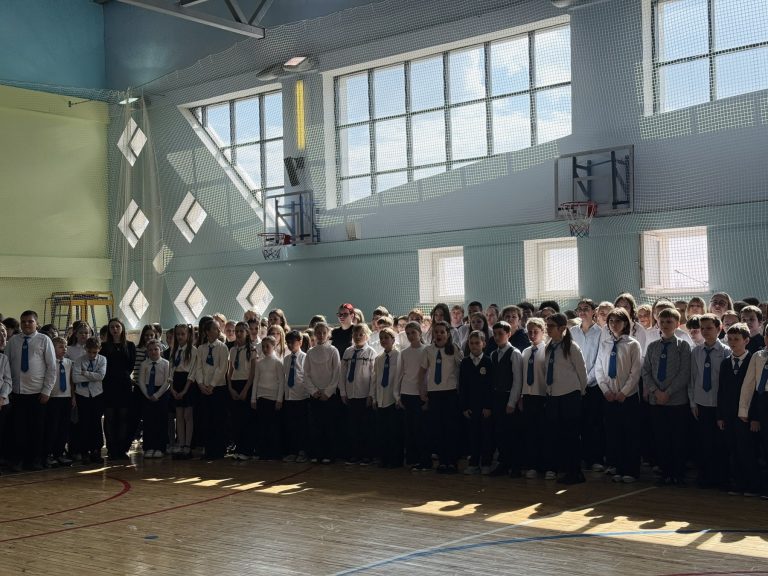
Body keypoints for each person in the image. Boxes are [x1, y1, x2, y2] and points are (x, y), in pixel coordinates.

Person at [642, 308, 691, 486]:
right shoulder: (652, 346)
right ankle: (665, 472)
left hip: (676, 401)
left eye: (669, 322)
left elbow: (684, 373)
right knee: (661, 438)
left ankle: (677, 473)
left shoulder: (683, 346)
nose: (665, 325)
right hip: (656, 401)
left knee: (677, 438)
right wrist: (655, 391)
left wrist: (668, 392)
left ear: (677, 324)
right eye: (662, 322)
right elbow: (646, 371)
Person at [595, 308, 643, 483]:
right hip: (609, 396)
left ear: (625, 323)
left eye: (618, 321)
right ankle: (618, 467)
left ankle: (631, 470)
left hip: (627, 397)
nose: (614, 324)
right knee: (613, 434)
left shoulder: (632, 344)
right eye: (611, 321)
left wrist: (624, 392)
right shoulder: (605, 344)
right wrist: (606, 391)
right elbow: (599, 369)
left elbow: (635, 372)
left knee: (630, 434)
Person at [6, 310, 56, 471]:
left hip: (38, 393)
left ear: (36, 323)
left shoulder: (44, 340)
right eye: (23, 322)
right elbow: (7, 365)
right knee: (19, 429)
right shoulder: (13, 341)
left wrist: (47, 390)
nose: (26, 324)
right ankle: (19, 459)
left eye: (30, 321)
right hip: (18, 393)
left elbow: (51, 367)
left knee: (37, 429)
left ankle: (35, 460)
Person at [543, 313, 588, 485]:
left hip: (570, 395)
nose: (547, 329)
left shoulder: (572, 347)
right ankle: (564, 468)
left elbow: (582, 372)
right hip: (554, 396)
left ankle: (575, 472)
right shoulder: (549, 346)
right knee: (558, 434)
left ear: (562, 328)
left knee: (571, 435)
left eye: (551, 326)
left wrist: (580, 392)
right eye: (547, 325)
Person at [689, 313, 730, 488]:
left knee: (719, 443)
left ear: (719, 329)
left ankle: (720, 478)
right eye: (702, 328)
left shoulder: (726, 351)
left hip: (718, 404)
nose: (705, 331)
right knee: (704, 442)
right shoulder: (696, 351)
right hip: (701, 402)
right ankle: (704, 476)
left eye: (709, 328)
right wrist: (693, 402)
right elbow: (693, 378)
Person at [718, 323, 757, 496]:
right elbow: (721, 390)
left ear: (746, 340)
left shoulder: (753, 361)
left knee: (747, 450)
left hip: (746, 416)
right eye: (730, 339)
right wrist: (720, 415)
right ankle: (738, 483)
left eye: (737, 339)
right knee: (733, 449)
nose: (732, 342)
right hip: (729, 415)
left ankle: (751, 485)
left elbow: (756, 392)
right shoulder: (726, 363)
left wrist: (754, 416)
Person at [419, 320, 463, 473]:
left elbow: (462, 368)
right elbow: (422, 372)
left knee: (451, 428)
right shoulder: (428, 350)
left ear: (448, 334)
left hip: (450, 393)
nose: (439, 334)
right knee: (438, 428)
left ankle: (452, 462)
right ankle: (443, 461)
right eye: (436, 332)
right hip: (434, 394)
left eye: (442, 332)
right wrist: (422, 391)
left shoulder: (454, 349)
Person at [570, 299, 604, 472]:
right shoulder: (572, 332)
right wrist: (577, 382)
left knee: (593, 424)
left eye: (586, 309)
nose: (582, 312)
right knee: (577, 424)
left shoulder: (601, 332)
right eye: (580, 309)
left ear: (594, 311)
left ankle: (594, 459)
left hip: (593, 385)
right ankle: (579, 458)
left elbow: (600, 360)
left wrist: (586, 381)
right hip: (575, 386)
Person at [489, 321, 523, 477]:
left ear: (508, 334)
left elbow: (517, 380)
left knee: (512, 433)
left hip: (509, 397)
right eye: (495, 334)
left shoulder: (514, 353)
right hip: (497, 397)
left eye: (500, 334)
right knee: (500, 432)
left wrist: (512, 402)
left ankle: (515, 466)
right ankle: (503, 463)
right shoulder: (493, 354)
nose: (497, 337)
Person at [738, 321, 768, 496]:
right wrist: (744, 410)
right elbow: (748, 385)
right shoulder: (758, 356)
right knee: (763, 446)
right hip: (762, 402)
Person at [193, 317, 230, 459]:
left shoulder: (222, 347)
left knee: (218, 419)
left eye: (218, 328)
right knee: (206, 420)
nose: (218, 330)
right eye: (215, 328)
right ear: (207, 332)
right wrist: (201, 384)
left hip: (218, 388)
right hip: (204, 388)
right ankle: (208, 450)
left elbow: (222, 368)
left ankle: (219, 450)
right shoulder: (201, 348)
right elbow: (198, 367)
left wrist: (212, 385)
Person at [304, 322, 340, 464]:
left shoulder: (333, 350)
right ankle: (317, 453)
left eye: (324, 332)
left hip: (329, 396)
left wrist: (328, 392)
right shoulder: (310, 352)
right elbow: (306, 374)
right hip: (315, 395)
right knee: (316, 426)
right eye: (318, 332)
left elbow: (336, 373)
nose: (321, 335)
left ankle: (329, 454)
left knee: (329, 426)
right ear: (314, 334)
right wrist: (314, 391)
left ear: (328, 334)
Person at [340, 323, 376, 465]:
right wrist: (343, 392)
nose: (358, 337)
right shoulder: (348, 352)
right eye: (355, 334)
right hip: (351, 395)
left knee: (365, 427)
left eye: (361, 334)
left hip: (364, 395)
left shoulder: (371, 352)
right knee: (352, 427)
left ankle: (366, 455)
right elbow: (342, 373)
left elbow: (373, 376)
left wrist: (371, 394)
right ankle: (354, 454)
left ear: (367, 336)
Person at [459, 330, 494, 475]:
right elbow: (462, 386)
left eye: (477, 343)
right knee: (473, 435)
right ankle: (473, 463)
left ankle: (486, 463)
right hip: (471, 406)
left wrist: (488, 406)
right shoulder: (465, 362)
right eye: (471, 343)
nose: (474, 346)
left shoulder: (488, 361)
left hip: (484, 407)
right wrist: (464, 407)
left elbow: (490, 386)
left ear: (483, 344)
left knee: (486, 435)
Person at [397, 321, 430, 471]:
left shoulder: (426, 350)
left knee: (421, 429)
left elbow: (428, 374)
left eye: (413, 333)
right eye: (408, 333)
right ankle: (412, 459)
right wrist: (398, 396)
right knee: (409, 429)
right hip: (407, 393)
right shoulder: (404, 352)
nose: (410, 336)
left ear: (420, 333)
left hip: (420, 394)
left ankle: (424, 460)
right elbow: (400, 374)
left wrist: (426, 395)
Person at [520, 318, 548, 479]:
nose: (532, 335)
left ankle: (543, 465)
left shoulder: (547, 350)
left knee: (542, 432)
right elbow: (523, 376)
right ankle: (532, 465)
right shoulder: (525, 352)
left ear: (543, 332)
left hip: (541, 396)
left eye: (535, 331)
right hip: (528, 396)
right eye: (529, 332)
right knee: (530, 433)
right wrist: (521, 396)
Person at [73, 337, 107, 464]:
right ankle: (84, 452)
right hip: (82, 395)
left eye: (95, 352)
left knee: (96, 423)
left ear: (99, 349)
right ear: (85, 349)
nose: (92, 355)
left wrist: (85, 373)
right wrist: (93, 376)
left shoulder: (103, 359)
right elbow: (75, 378)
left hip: (97, 395)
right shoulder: (79, 360)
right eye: (89, 352)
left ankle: (96, 451)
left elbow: (101, 376)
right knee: (84, 424)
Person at [250, 336, 285, 460]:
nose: (265, 349)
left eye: (267, 346)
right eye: (263, 346)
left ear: (274, 346)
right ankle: (263, 452)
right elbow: (256, 380)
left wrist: (279, 399)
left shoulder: (278, 362)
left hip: (273, 399)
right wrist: (253, 399)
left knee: (273, 427)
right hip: (261, 398)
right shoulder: (259, 363)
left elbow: (281, 382)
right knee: (262, 426)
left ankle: (273, 453)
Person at [372, 327, 402, 468]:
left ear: (393, 340)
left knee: (394, 431)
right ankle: (384, 458)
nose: (383, 340)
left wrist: (398, 397)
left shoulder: (399, 356)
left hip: (393, 399)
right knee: (382, 431)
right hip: (381, 399)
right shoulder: (379, 359)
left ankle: (395, 459)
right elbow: (375, 379)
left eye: (386, 337)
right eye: (381, 338)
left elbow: (400, 378)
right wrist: (374, 398)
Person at [136, 339, 171, 458]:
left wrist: (157, 395)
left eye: (156, 349)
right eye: (150, 350)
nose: (153, 352)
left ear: (160, 350)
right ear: (147, 351)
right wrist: (147, 395)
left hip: (161, 393)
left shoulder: (166, 363)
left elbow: (167, 382)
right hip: (147, 392)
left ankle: (160, 447)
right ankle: (149, 447)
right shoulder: (144, 364)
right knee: (148, 421)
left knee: (161, 421)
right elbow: (141, 381)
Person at [44, 337, 73, 467]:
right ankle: (48, 454)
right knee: (52, 427)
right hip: (53, 398)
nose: (64, 349)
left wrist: (73, 397)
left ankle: (59, 453)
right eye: (60, 347)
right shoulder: (49, 362)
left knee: (64, 427)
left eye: (65, 347)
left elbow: (71, 381)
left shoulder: (69, 362)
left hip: (66, 398)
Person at [227, 322, 253, 461]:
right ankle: (238, 447)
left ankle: (246, 449)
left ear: (247, 333)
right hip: (235, 384)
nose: (237, 334)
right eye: (236, 331)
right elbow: (230, 371)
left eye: (241, 331)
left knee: (246, 419)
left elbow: (252, 373)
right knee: (236, 419)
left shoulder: (252, 350)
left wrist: (245, 390)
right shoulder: (232, 350)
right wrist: (230, 387)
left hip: (246, 385)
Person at [170, 324, 196, 459]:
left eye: (182, 334)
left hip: (188, 383)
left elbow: (192, 372)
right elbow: (171, 369)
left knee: (187, 416)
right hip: (176, 382)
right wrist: (172, 388)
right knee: (179, 415)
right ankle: (180, 444)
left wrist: (185, 390)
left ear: (188, 335)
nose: (180, 337)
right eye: (178, 334)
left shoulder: (193, 350)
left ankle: (187, 445)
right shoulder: (174, 350)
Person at [282, 330, 309, 464]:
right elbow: (285, 377)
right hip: (289, 397)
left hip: (302, 396)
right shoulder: (286, 359)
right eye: (288, 342)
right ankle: (293, 451)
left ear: (300, 342)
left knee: (302, 427)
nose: (290, 345)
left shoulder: (305, 358)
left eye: (293, 342)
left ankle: (302, 452)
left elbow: (306, 377)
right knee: (291, 426)